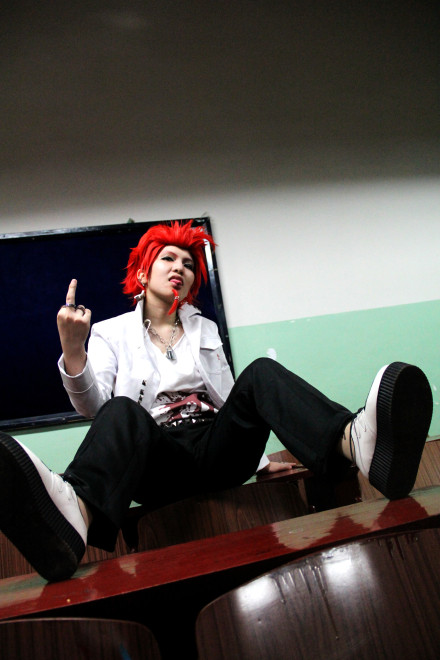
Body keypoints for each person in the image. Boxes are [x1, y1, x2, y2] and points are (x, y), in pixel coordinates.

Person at [0, 220, 433, 582]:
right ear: (143, 272)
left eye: (188, 264)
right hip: (158, 458)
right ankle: (76, 516)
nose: (180, 267)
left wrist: (260, 460)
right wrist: (73, 350)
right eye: (168, 258)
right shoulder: (110, 332)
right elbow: (94, 409)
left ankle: (354, 441)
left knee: (260, 371)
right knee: (119, 410)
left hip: (214, 446)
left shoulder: (204, 328)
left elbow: (230, 398)